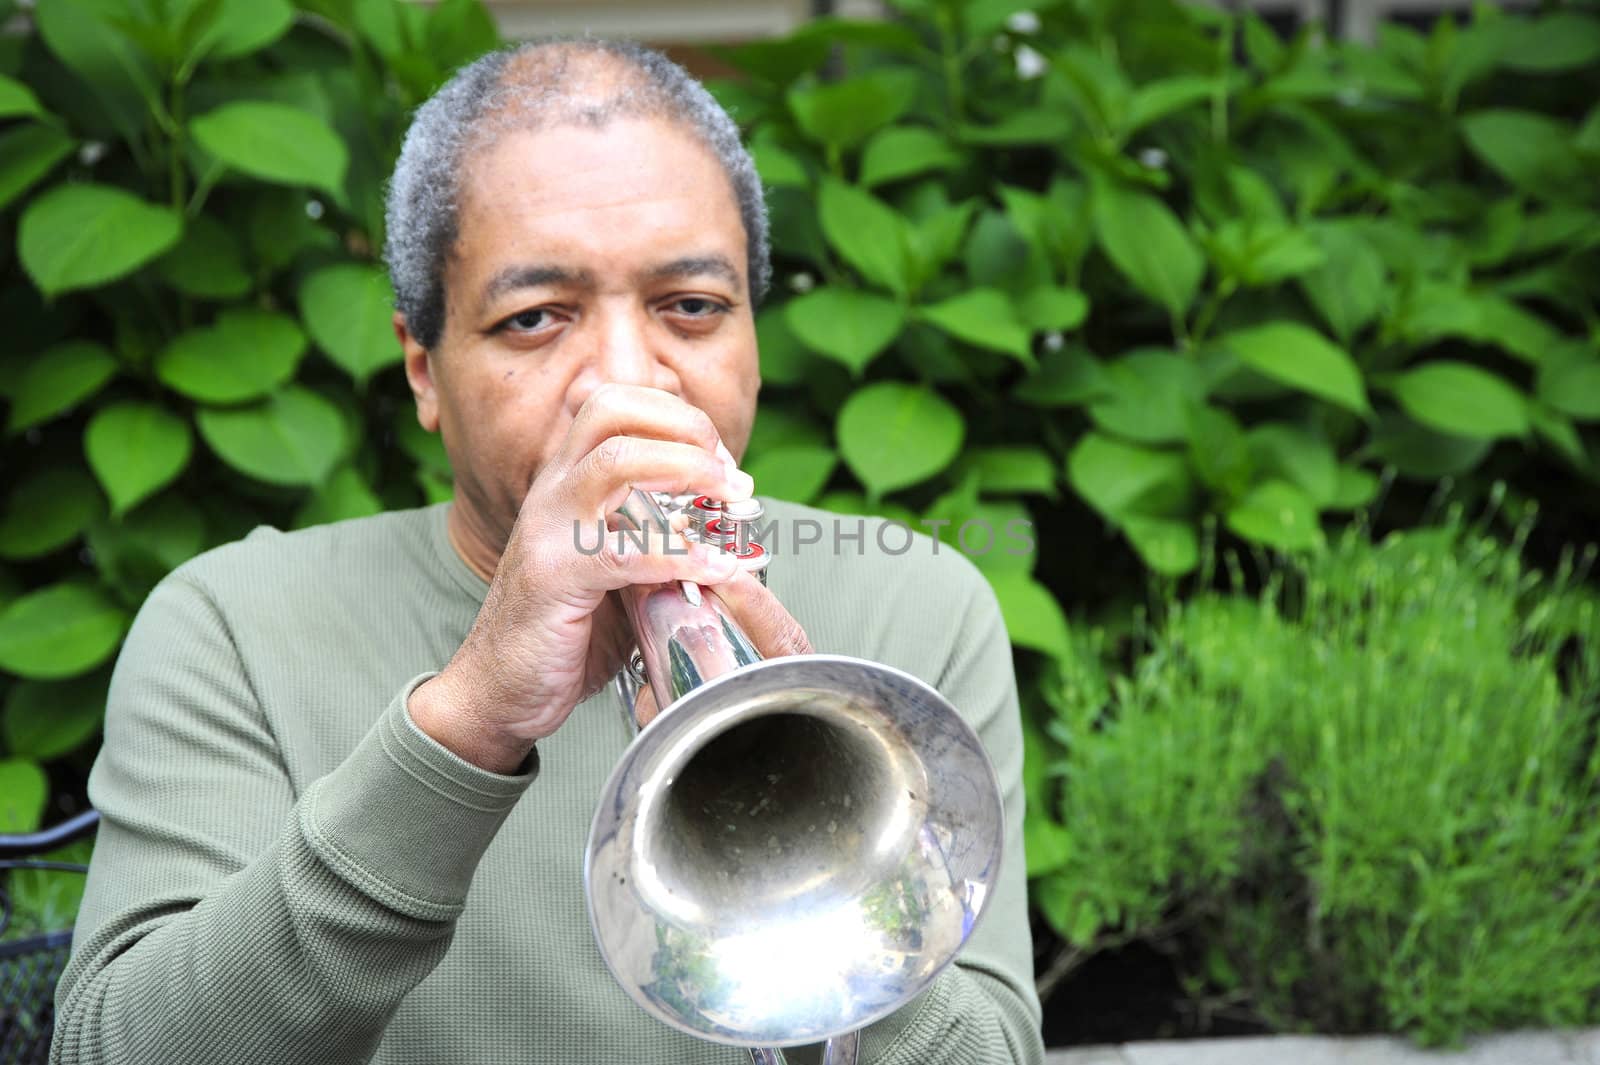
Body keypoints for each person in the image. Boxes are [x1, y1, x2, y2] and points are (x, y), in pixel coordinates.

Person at [51, 38, 1045, 1065]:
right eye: (535, 319)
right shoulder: (231, 623)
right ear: (423, 369)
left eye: (692, 307)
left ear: (752, 331)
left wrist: (824, 855)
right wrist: (466, 724)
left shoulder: (913, 600)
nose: (624, 383)